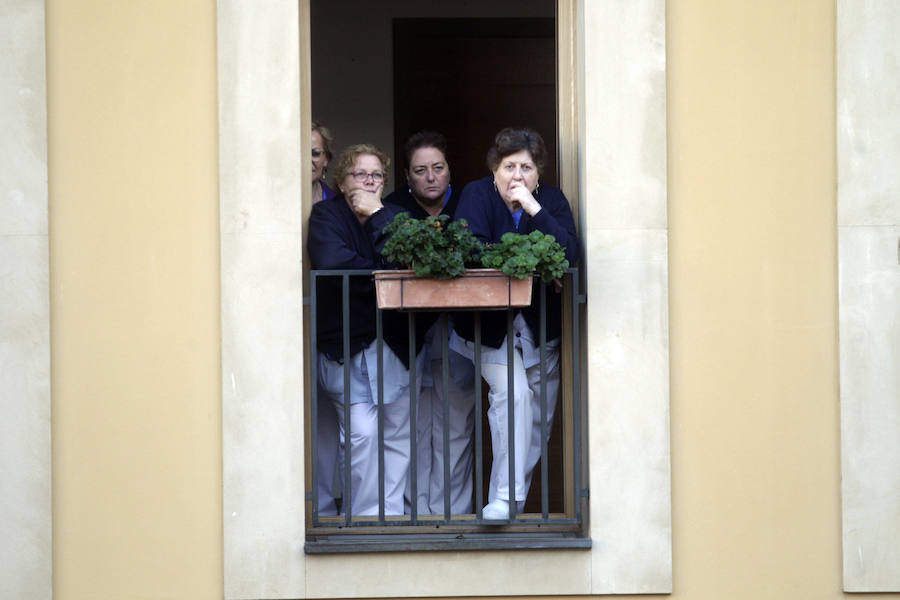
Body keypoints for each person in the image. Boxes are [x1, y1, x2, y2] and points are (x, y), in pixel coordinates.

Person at [451, 127, 579, 520]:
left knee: (537, 423)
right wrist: (538, 264)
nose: (517, 176)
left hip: (540, 330)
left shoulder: (551, 200)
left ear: (538, 174)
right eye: (509, 166)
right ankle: (505, 500)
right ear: (495, 170)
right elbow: (470, 249)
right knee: (514, 396)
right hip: (488, 329)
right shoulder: (477, 194)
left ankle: (509, 503)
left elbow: (571, 253)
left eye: (526, 167)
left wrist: (535, 212)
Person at [308, 143, 423, 516]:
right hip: (346, 343)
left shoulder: (394, 214)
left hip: (394, 342)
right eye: (360, 174)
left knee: (397, 435)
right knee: (361, 434)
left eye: (376, 175)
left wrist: (377, 215)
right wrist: (379, 273)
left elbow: (409, 262)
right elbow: (331, 262)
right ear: (342, 180)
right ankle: (364, 517)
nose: (369, 181)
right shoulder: (326, 215)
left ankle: (389, 513)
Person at [384, 131, 476, 515]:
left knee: (455, 424)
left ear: (449, 170)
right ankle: (415, 514)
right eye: (421, 170)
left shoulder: (469, 204)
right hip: (407, 332)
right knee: (412, 425)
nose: (431, 177)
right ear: (408, 176)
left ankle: (450, 513)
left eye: (438, 168)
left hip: (459, 328)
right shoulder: (392, 208)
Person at [311, 121, 337, 203]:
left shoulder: (334, 202)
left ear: (326, 159)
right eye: (300, 153)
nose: (306, 160)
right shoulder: (274, 196)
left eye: (315, 153)